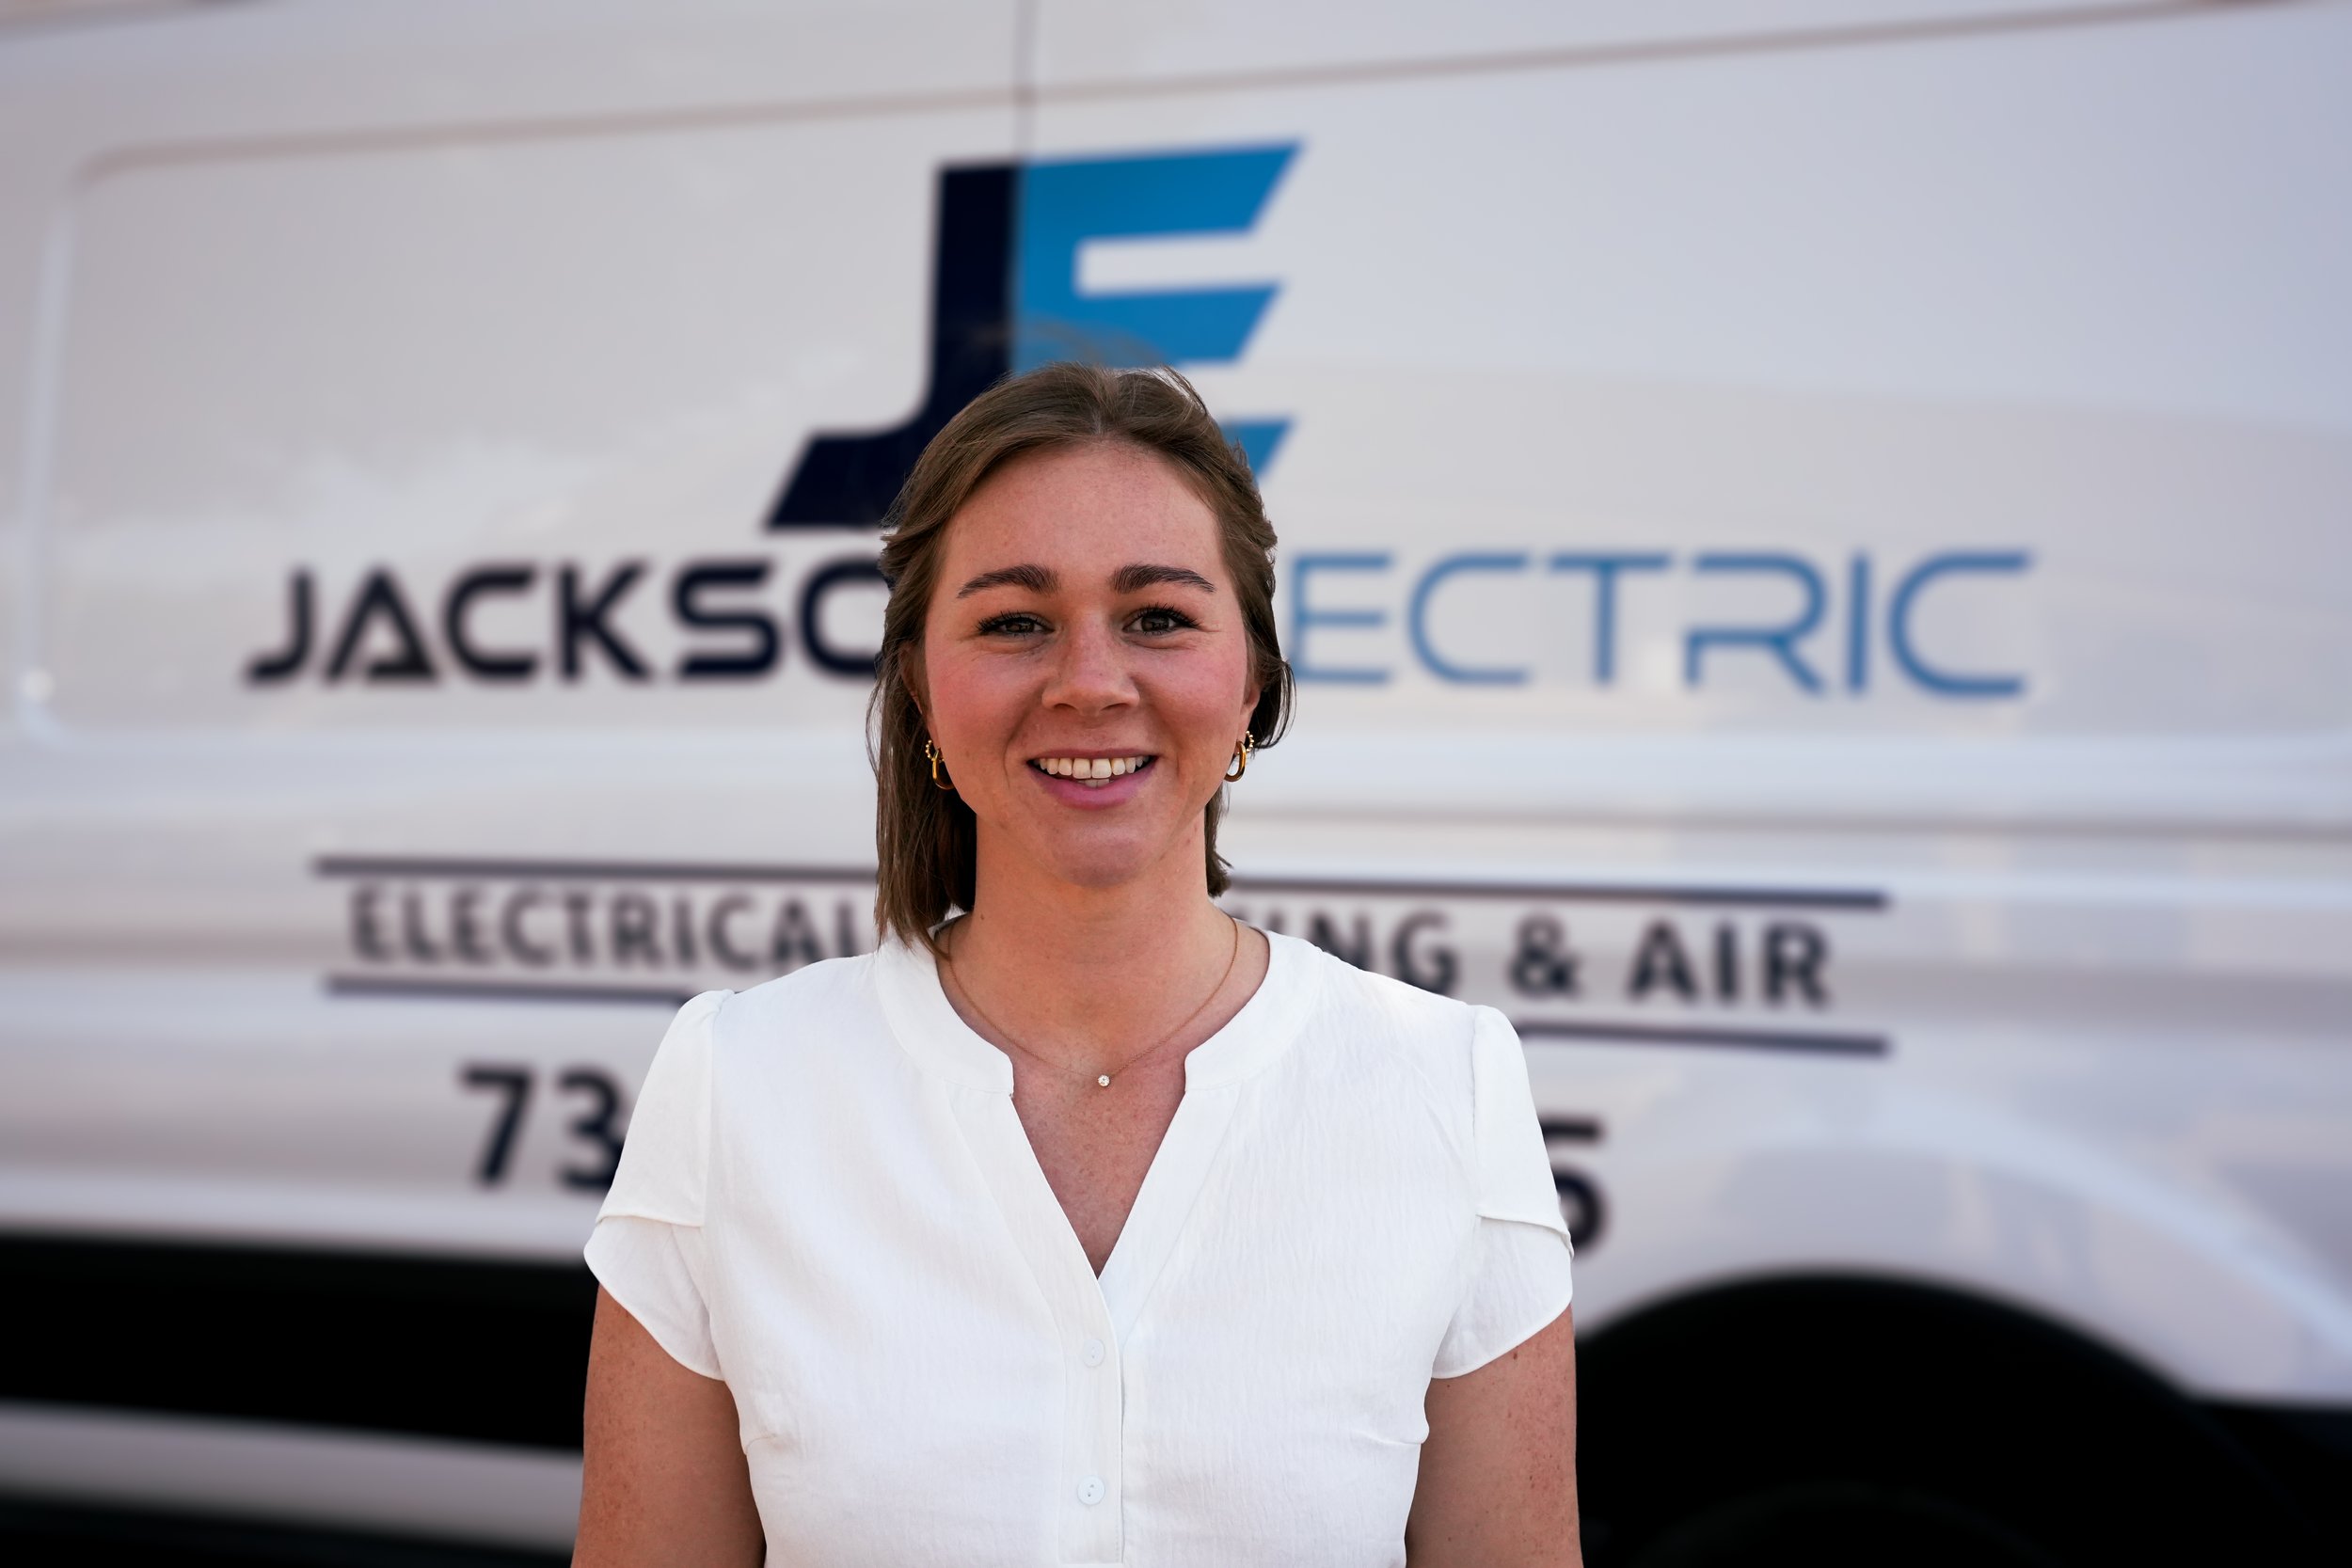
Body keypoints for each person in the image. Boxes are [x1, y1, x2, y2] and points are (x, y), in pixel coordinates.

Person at [572, 363, 1580, 1566]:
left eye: (1158, 616)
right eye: (1014, 621)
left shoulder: (1448, 1082)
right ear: (920, 687)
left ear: (1252, 682)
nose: (1091, 681)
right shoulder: (737, 1079)